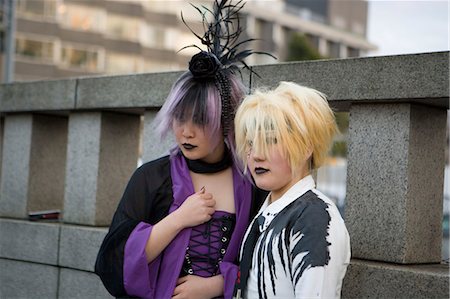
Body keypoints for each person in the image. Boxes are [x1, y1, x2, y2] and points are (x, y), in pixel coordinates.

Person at [94, 1, 270, 298]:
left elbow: (268, 261)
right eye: (179, 118)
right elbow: (113, 261)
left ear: (226, 122)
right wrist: (179, 218)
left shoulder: (252, 184)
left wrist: (218, 284)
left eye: (200, 120)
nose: (185, 131)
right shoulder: (151, 178)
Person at [233, 82, 351, 299]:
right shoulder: (270, 211)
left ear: (306, 146)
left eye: (271, 140)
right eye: (250, 142)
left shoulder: (315, 217)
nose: (256, 154)